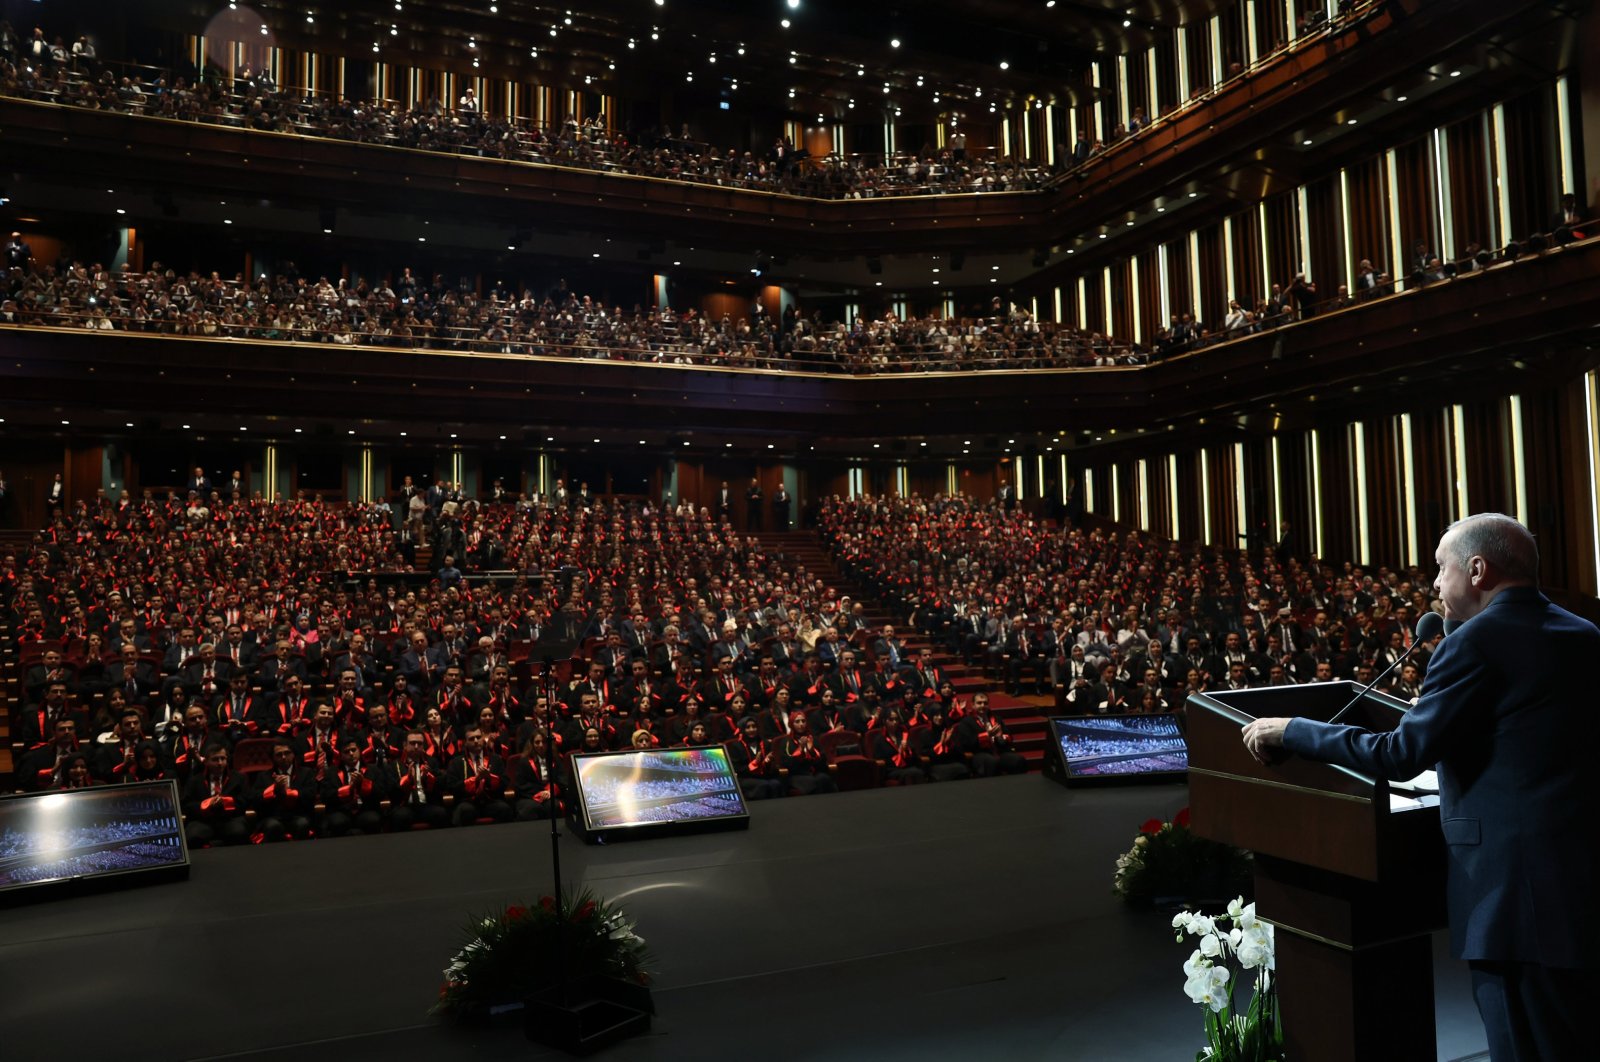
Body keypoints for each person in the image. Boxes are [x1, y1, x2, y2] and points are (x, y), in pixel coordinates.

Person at [1243, 514, 1599, 1062]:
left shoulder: (1472, 643)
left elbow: (1399, 755)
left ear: (1477, 569)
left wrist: (1293, 730)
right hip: (1577, 885)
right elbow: (1534, 737)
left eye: (1440, 567)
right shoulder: (1582, 634)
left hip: (1511, 901)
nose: (1433, 584)